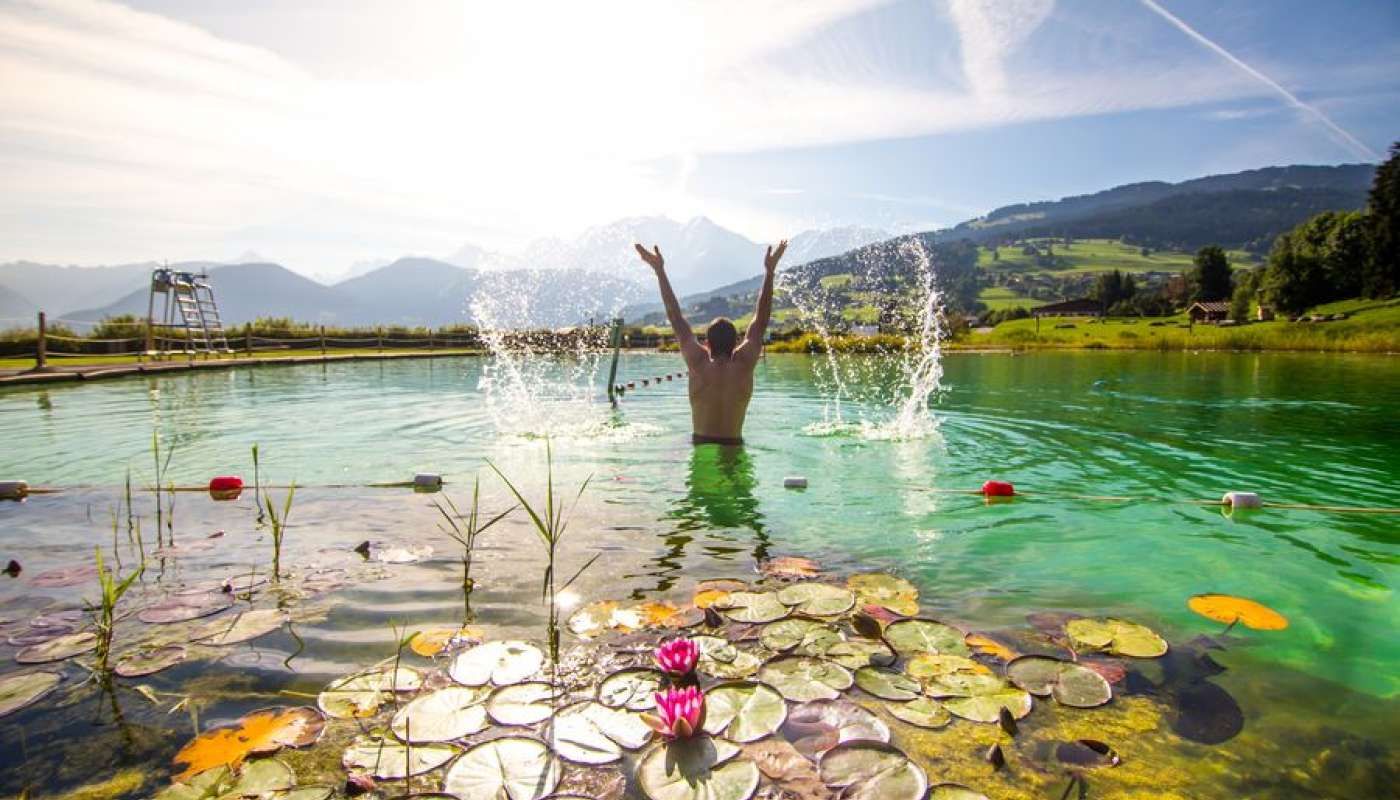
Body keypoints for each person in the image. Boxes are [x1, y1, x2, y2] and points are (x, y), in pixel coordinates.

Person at [634, 239, 787, 445]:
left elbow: (675, 317)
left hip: (701, 446)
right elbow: (760, 321)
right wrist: (770, 271)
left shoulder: (698, 363)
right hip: (734, 448)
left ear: (707, 344)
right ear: (736, 343)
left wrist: (659, 271)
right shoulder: (744, 364)